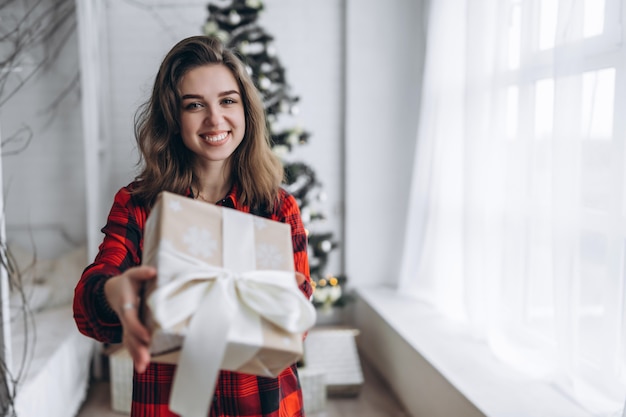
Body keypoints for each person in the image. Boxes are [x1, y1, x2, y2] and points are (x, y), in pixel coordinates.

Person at [73, 35, 313, 417]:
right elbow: (90, 300)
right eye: (194, 105)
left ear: (246, 110)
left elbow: (295, 321)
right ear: (173, 117)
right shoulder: (139, 205)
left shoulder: (278, 208)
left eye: (227, 100)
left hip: (266, 407)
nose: (215, 119)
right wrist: (113, 293)